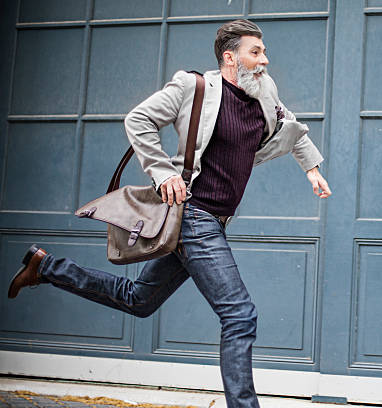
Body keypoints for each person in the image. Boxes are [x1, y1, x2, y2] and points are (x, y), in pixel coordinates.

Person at [7, 19, 331, 408]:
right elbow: (138, 120)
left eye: (263, 52)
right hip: (195, 214)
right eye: (255, 52)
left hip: (213, 221)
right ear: (231, 58)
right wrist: (162, 173)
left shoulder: (263, 90)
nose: (265, 60)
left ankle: (46, 268)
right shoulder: (193, 88)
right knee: (240, 315)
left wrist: (311, 168)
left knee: (138, 300)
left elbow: (288, 125)